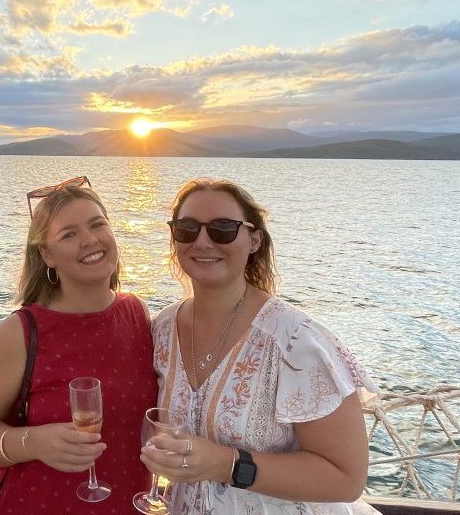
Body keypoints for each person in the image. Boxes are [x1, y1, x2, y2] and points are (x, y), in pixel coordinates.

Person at [141, 178, 379, 514]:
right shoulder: (162, 329)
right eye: (187, 228)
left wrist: (226, 464)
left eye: (223, 228)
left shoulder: (296, 342)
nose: (203, 241)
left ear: (254, 239)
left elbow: (346, 478)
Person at [0, 176, 158, 514]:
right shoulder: (21, 331)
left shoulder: (136, 312)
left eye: (98, 224)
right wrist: (33, 442)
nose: (90, 239)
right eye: (70, 234)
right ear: (47, 254)